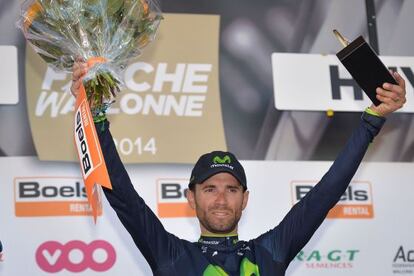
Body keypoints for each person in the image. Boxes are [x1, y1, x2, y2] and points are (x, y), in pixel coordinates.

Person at [71, 61, 406, 275]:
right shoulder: (172, 256)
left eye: (231, 189)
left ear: (245, 199)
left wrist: (372, 121)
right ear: (191, 197)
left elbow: (325, 193)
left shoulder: (269, 253)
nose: (221, 199)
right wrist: (95, 115)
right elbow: (123, 196)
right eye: (210, 189)